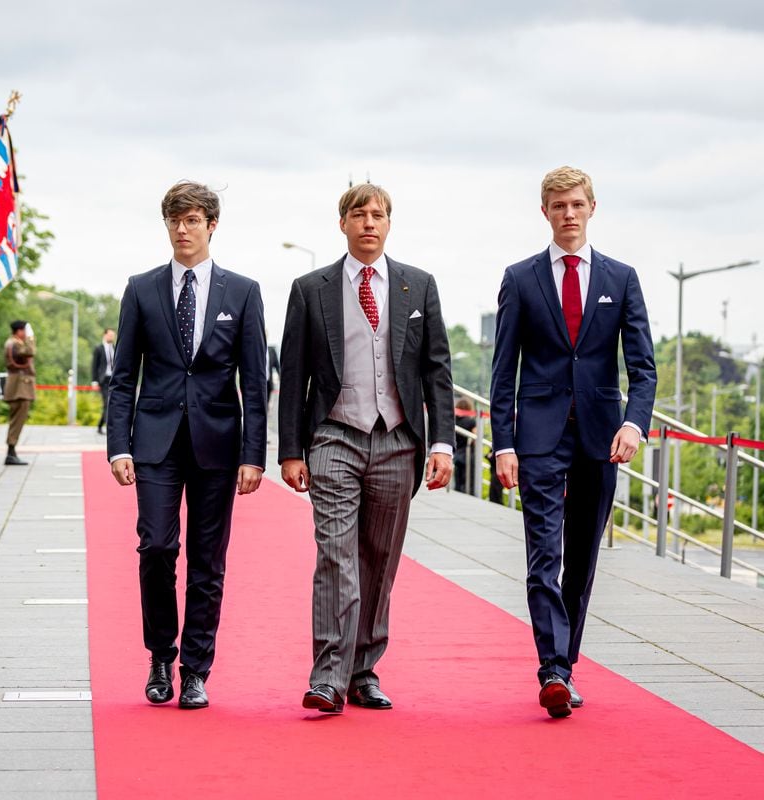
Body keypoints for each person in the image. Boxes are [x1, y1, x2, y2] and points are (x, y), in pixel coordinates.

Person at [278, 182, 454, 714]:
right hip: (334, 433)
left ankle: (363, 670)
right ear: (343, 224)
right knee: (336, 555)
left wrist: (442, 441)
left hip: (398, 439)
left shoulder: (417, 287)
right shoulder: (312, 289)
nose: (369, 223)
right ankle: (327, 675)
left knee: (380, 558)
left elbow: (437, 370)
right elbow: (293, 376)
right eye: (359, 214)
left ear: (389, 224)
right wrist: (290, 450)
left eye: (378, 215)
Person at [489, 166, 656, 719]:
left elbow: (643, 369)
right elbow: (502, 370)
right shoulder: (520, 278)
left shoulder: (621, 278)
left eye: (577, 205)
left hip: (602, 438)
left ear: (591, 208)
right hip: (538, 437)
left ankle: (567, 661)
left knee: (581, 559)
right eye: (558, 206)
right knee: (545, 555)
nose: (568, 214)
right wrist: (504, 444)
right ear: (545, 212)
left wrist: (633, 424)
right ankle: (553, 671)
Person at [106, 180, 267, 710]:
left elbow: (254, 380)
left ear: (211, 225)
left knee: (208, 561)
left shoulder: (242, 292)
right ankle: (160, 655)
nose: (182, 229)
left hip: (218, 446)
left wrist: (253, 454)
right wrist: (118, 445)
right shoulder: (142, 288)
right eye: (175, 220)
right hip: (154, 442)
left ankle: (196, 669)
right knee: (156, 547)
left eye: (193, 220)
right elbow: (123, 376)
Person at [3, 320, 34, 465]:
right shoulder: (14, 343)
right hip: (19, 388)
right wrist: (31, 339)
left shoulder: (14, 342)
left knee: (17, 420)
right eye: (25, 331)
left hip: (20, 386)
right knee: (17, 420)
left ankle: (12, 450)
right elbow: (30, 352)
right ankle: (11, 451)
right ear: (19, 331)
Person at [90, 327, 115, 434]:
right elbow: (94, 366)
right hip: (103, 380)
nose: (112, 337)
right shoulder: (98, 348)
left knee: (112, 403)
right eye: (110, 335)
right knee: (106, 402)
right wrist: (94, 381)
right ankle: (109, 427)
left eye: (113, 335)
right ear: (104, 335)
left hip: (113, 379)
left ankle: (100, 425)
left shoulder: (114, 347)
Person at [453, 397, 477, 492]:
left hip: (456, 452)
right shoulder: (471, 421)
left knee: (457, 480)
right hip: (467, 453)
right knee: (468, 480)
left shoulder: (454, 420)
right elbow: (475, 437)